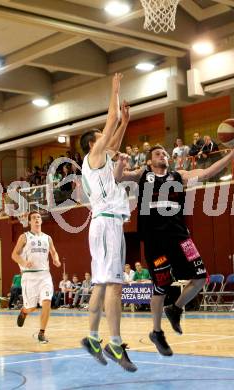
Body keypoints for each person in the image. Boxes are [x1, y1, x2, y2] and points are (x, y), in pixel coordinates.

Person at [117, 137, 234, 356]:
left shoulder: (178, 176)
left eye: (165, 154)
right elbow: (118, 177)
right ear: (149, 162)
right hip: (155, 241)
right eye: (157, 154)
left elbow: (206, 173)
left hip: (180, 237)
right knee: (161, 286)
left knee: (200, 277)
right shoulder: (142, 175)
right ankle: (157, 332)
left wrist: (232, 154)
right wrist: (120, 163)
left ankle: (175, 308)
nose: (162, 156)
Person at [80, 73, 137, 372]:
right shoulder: (93, 156)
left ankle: (92, 337)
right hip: (106, 225)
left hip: (107, 224)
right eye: (100, 138)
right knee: (113, 286)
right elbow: (110, 120)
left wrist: (125, 122)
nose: (106, 140)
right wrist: (115, 88)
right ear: (93, 143)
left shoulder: (99, 164)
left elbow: (114, 137)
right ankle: (114, 343)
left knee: (103, 286)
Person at [11, 211, 61, 343]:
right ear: (29, 222)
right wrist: (24, 262)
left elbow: (54, 253)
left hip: (45, 275)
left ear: (41, 221)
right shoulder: (24, 237)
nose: (37, 219)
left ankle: (41, 333)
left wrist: (56, 260)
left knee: (47, 301)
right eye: (34, 218)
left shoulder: (47, 238)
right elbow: (14, 255)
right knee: (32, 307)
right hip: (29, 277)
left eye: (38, 217)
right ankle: (24, 311)